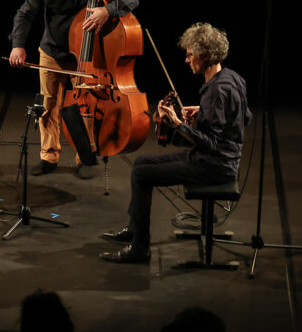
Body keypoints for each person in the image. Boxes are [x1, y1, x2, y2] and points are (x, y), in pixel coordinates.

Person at [100, 23, 251, 263]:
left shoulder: (216, 91)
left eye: (190, 55)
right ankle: (134, 227)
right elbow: (244, 117)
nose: (187, 60)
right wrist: (203, 112)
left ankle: (140, 249)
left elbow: (210, 144)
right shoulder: (232, 78)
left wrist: (177, 122)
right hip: (221, 159)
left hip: (214, 165)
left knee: (141, 175)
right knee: (141, 161)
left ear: (206, 56)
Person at [8, 0, 139, 177]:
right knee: (48, 106)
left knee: (85, 108)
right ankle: (48, 155)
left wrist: (107, 11)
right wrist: (17, 45)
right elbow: (25, 13)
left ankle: (85, 158)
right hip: (51, 51)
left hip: (84, 57)